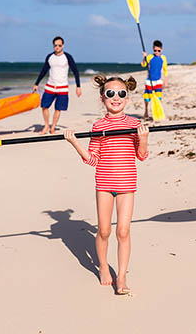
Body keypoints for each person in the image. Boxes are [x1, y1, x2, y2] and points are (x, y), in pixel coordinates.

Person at [63, 75, 149, 295]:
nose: (116, 97)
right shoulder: (98, 126)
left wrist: (144, 139)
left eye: (121, 93)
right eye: (110, 93)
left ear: (127, 98)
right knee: (103, 231)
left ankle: (121, 276)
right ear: (103, 98)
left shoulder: (134, 124)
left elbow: (141, 155)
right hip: (104, 183)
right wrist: (74, 142)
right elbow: (92, 159)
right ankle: (102, 266)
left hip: (127, 184)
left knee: (123, 231)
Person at [33, 36, 82, 134]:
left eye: (59, 45)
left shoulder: (67, 57)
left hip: (62, 87)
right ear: (53, 46)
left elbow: (75, 71)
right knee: (44, 106)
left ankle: (53, 127)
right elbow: (44, 70)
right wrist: (36, 83)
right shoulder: (50, 57)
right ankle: (46, 126)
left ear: (62, 45)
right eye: (55, 45)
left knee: (58, 108)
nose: (57, 47)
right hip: (50, 86)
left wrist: (78, 86)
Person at [141, 39, 168, 119]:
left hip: (158, 81)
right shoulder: (150, 57)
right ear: (153, 49)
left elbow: (165, 70)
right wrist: (144, 58)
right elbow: (143, 65)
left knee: (158, 97)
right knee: (147, 97)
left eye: (158, 50)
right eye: (155, 50)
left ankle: (156, 112)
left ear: (161, 49)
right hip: (149, 81)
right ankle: (146, 111)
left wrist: (166, 82)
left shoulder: (163, 58)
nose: (157, 52)